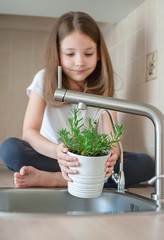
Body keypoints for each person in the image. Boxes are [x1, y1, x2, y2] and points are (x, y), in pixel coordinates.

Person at [0, 11, 154, 189]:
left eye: (88, 54)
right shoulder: (44, 79)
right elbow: (29, 132)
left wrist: (113, 153)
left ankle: (56, 179)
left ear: (98, 54)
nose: (80, 62)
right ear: (57, 53)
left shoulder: (103, 87)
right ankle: (82, 177)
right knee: (11, 149)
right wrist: (58, 153)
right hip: (52, 156)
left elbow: (111, 138)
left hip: (90, 158)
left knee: (146, 164)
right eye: (70, 54)